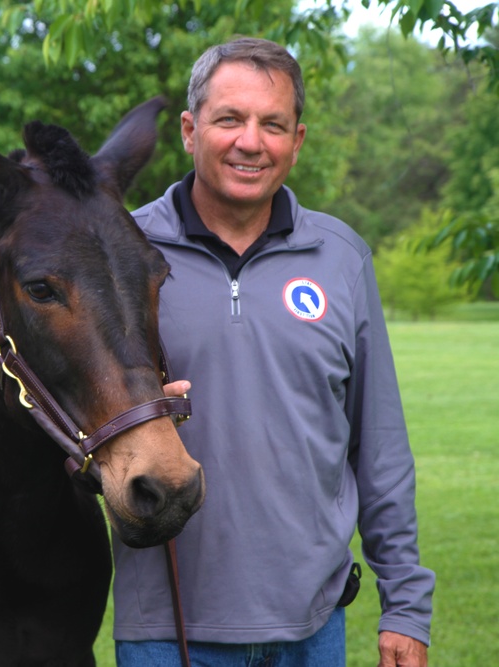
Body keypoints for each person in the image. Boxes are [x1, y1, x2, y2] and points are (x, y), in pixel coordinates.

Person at [112, 38, 435, 666]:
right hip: (167, 629)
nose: (250, 142)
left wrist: (405, 606)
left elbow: (381, 446)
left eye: (273, 124)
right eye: (229, 118)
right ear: (189, 128)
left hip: (312, 627)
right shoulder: (126, 253)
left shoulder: (341, 259)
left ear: (298, 139)